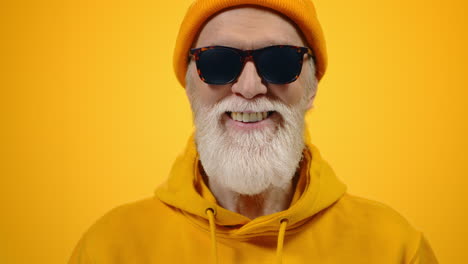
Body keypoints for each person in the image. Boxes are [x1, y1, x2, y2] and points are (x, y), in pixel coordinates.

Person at [69, 0, 439, 263]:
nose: (249, 87)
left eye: (280, 61)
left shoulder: (394, 249)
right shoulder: (110, 249)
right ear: (188, 87)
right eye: (217, 62)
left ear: (312, 89)